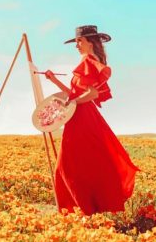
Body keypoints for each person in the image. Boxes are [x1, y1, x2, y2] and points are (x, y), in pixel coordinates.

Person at [45, 25, 141, 215]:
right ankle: (86, 209)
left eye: (80, 41)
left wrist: (71, 102)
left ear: (90, 42)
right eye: (77, 41)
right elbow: (74, 94)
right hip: (79, 116)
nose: (77, 45)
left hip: (83, 117)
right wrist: (53, 80)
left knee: (69, 164)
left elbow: (91, 94)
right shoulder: (86, 63)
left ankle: (82, 209)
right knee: (81, 162)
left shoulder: (89, 61)